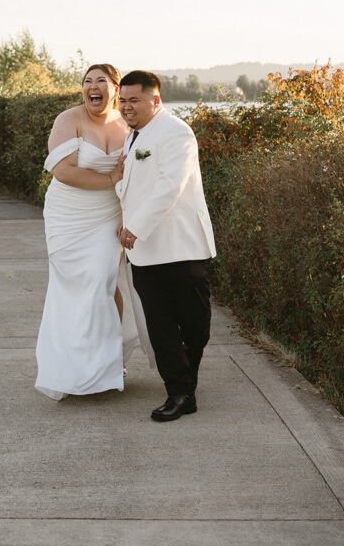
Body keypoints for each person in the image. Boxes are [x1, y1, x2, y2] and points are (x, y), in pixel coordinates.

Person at [35, 64, 152, 400]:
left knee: (101, 279)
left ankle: (109, 359)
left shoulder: (126, 124)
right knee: (73, 287)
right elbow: (63, 172)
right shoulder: (67, 120)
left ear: (115, 90)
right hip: (67, 216)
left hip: (107, 215)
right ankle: (72, 366)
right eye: (87, 82)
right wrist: (110, 180)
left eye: (101, 81)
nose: (93, 87)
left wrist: (127, 210)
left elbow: (138, 173)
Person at [116, 70, 216, 422]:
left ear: (155, 100)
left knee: (194, 322)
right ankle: (180, 392)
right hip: (144, 250)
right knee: (159, 324)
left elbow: (170, 186)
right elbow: (135, 188)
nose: (126, 107)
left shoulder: (176, 132)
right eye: (122, 100)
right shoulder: (132, 136)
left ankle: (185, 378)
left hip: (180, 245)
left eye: (134, 100)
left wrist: (135, 227)